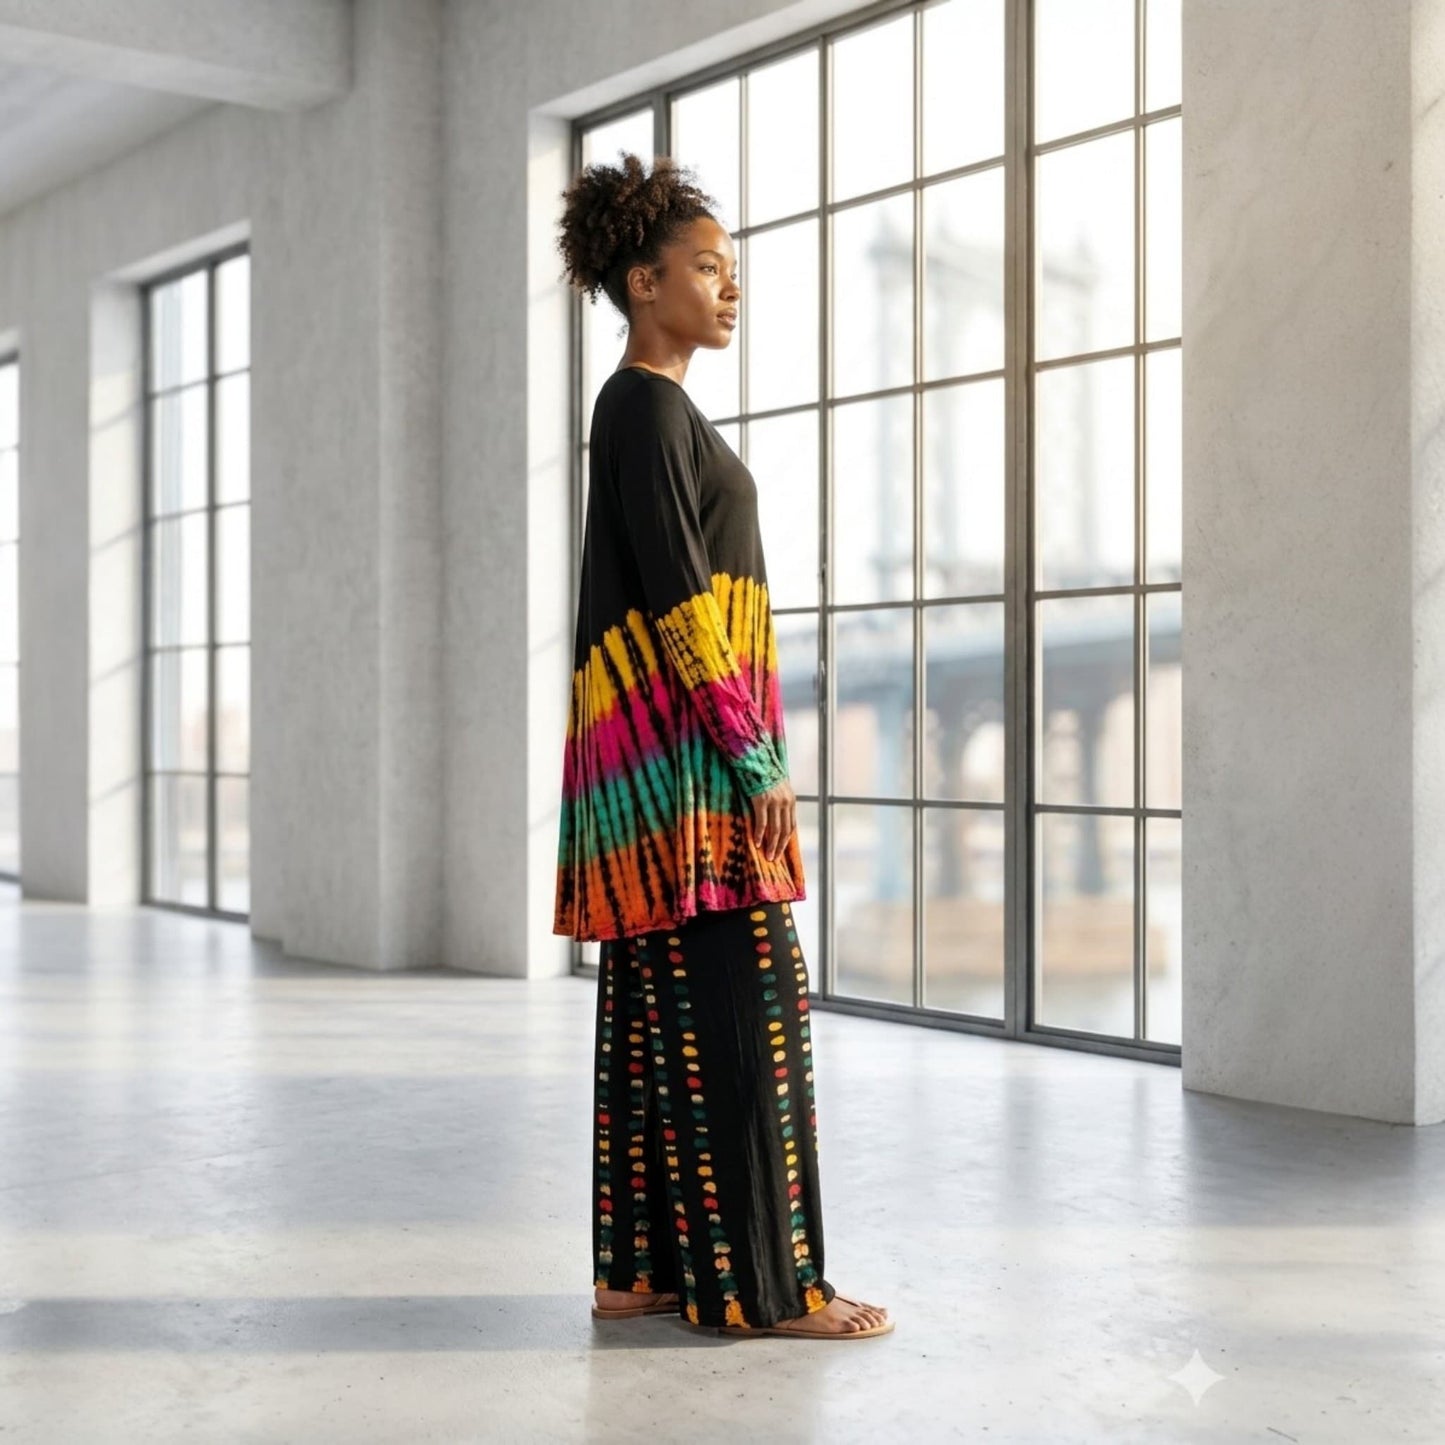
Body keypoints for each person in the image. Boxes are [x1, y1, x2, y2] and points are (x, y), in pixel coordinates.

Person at [552, 151, 893, 1340]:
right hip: (692, 775)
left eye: (729, 269)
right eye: (706, 267)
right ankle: (761, 1285)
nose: (727, 287)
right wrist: (755, 759)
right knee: (754, 1019)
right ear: (643, 282)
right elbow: (682, 598)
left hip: (663, 771)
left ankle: (638, 1269)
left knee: (660, 1015)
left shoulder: (655, 411)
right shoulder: (642, 405)